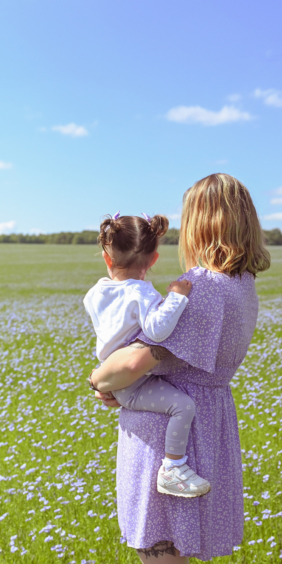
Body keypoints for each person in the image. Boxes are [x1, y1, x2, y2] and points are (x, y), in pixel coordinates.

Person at [89, 174, 270, 564]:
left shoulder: (205, 288)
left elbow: (137, 361)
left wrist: (101, 379)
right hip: (199, 428)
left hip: (169, 444)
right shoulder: (239, 286)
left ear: (204, 221)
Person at [84, 211, 210, 497]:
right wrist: (177, 298)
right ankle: (172, 468)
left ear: (107, 258)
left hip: (113, 373)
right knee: (184, 406)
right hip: (132, 382)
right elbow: (157, 330)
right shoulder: (141, 293)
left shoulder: (96, 292)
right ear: (153, 259)